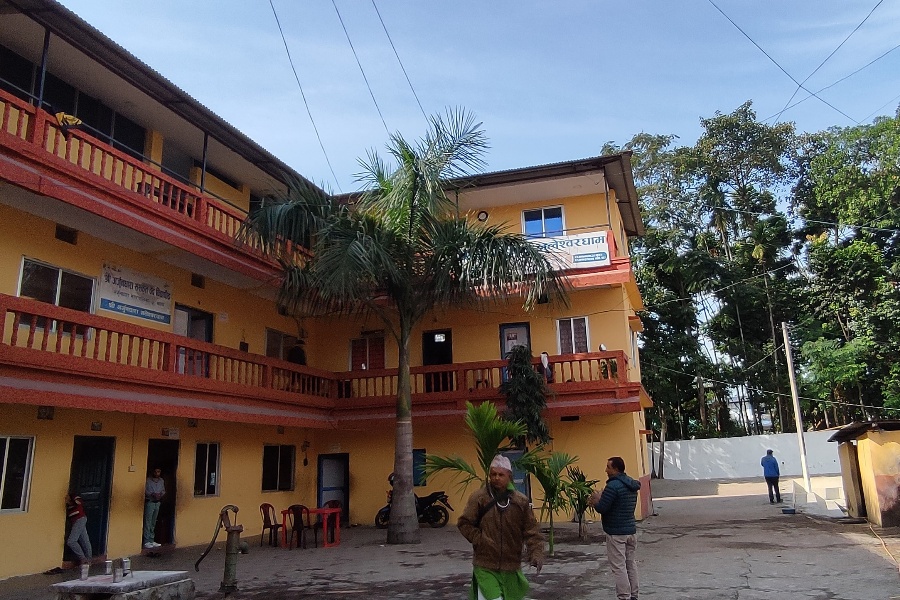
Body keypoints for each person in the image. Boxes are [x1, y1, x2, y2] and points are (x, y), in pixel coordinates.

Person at [458, 455, 544, 600]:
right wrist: (480, 540)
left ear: (509, 476)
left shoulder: (520, 502)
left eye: (501, 475)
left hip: (511, 566)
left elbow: (532, 531)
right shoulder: (479, 498)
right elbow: (464, 523)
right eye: (493, 474)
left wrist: (536, 553)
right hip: (485, 565)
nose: (496, 478)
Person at [590, 456, 641, 600]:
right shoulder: (631, 484)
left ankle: (624, 596)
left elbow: (602, 508)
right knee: (630, 564)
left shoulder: (612, 486)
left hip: (616, 532)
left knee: (619, 567)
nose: (606, 470)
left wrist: (596, 500)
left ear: (616, 469)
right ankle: (634, 594)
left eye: (608, 467)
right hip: (630, 530)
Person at [65, 491, 92, 566]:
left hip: (79, 519)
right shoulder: (68, 506)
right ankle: (88, 560)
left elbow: (79, 502)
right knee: (85, 540)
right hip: (76, 521)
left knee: (71, 541)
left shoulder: (74, 497)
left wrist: (72, 501)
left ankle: (83, 559)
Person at [143, 467, 165, 549]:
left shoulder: (161, 481)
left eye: (158, 471)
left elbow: (163, 490)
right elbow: (145, 490)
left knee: (153, 522)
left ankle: (151, 539)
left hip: (157, 502)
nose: (157, 473)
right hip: (150, 502)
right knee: (147, 522)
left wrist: (160, 495)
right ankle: (146, 541)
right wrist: (152, 494)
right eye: (155, 471)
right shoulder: (148, 480)